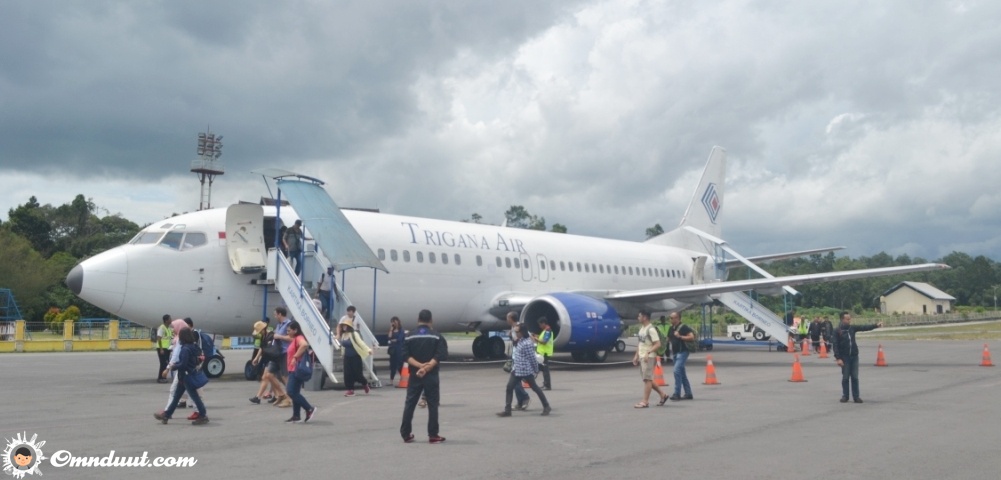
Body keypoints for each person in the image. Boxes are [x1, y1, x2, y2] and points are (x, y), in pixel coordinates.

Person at [400, 309, 448, 444]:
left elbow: (405, 355)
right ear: (431, 320)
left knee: (410, 403)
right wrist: (427, 367)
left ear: (418, 320)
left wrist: (419, 366)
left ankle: (405, 434)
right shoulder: (437, 336)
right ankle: (433, 434)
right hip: (431, 375)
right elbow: (441, 354)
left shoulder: (409, 336)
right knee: (432, 405)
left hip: (415, 374)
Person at [155, 327, 209, 425]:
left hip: (186, 377)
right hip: (188, 375)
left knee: (194, 397)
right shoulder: (193, 346)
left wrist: (173, 366)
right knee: (177, 396)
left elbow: (183, 364)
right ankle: (166, 415)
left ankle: (203, 415)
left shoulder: (185, 349)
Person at [497, 324, 552, 417]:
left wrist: (536, 369)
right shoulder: (520, 341)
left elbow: (532, 358)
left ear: (522, 332)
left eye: (517, 332)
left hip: (525, 370)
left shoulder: (527, 343)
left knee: (535, 388)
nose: (516, 333)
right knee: (509, 387)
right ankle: (507, 410)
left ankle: (546, 406)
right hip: (516, 369)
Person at [832, 312, 882, 403]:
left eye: (850, 319)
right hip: (844, 357)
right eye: (847, 319)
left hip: (854, 356)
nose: (849, 320)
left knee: (855, 377)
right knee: (845, 377)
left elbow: (863, 327)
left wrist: (875, 325)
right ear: (842, 319)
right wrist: (838, 358)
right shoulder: (837, 331)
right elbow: (835, 345)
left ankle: (856, 396)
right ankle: (845, 396)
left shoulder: (852, 328)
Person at [632, 310, 669, 408]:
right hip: (642, 356)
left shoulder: (651, 329)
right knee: (647, 379)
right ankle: (663, 395)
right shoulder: (642, 329)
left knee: (647, 379)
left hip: (649, 357)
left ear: (645, 317)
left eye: (639, 316)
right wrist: (636, 355)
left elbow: (657, 344)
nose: (638, 318)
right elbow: (640, 343)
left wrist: (648, 353)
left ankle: (645, 401)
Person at [284, 321, 317, 423]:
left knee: (290, 391)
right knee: (295, 392)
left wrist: (295, 357)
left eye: (289, 330)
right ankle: (296, 415)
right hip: (293, 369)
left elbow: (304, 345)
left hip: (295, 369)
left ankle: (309, 408)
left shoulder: (299, 338)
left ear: (295, 330)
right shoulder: (295, 339)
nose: (287, 332)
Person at [337, 306, 371, 396]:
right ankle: (350, 389)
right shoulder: (343, 336)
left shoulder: (354, 334)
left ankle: (364, 383)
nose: (344, 327)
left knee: (358, 374)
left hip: (355, 356)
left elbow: (361, 343)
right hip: (347, 357)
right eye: (343, 325)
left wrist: (368, 349)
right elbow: (343, 346)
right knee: (347, 374)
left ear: (349, 326)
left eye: (345, 325)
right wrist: (342, 353)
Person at [505, 311, 530, 410]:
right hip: (515, 355)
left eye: (508, 318)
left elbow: (525, 338)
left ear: (511, 318)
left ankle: (525, 397)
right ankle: (520, 401)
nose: (507, 320)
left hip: (520, 357)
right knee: (515, 382)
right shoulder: (513, 328)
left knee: (515, 382)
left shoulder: (519, 327)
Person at [667, 312, 695, 401]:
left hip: (683, 352)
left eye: (672, 318)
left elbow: (692, 337)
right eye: (670, 318)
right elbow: (668, 339)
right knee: (682, 373)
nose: (670, 319)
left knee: (676, 371)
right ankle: (688, 393)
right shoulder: (671, 328)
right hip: (675, 353)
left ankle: (677, 393)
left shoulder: (683, 327)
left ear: (677, 318)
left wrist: (680, 336)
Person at [270, 307, 293, 408]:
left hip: (284, 352)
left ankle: (289, 398)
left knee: (285, 376)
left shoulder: (288, 324)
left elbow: (292, 338)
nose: (274, 316)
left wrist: (279, 337)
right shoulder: (279, 325)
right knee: (269, 375)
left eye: (275, 314)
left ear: (280, 314)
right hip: (276, 353)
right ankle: (281, 394)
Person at [531, 317, 554, 390]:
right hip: (543, 353)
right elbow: (542, 338)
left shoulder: (547, 331)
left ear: (543, 323)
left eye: (540, 324)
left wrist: (535, 339)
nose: (539, 326)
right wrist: (536, 336)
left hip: (545, 353)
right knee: (544, 370)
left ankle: (547, 385)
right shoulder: (545, 331)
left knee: (545, 370)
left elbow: (544, 342)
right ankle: (545, 384)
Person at [155, 314, 173, 383]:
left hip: (167, 348)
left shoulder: (168, 328)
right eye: (170, 319)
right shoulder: (162, 328)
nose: (171, 320)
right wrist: (161, 349)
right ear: (166, 320)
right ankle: (160, 378)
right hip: (162, 348)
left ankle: (163, 377)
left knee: (166, 363)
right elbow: (159, 338)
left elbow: (169, 338)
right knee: (163, 363)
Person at [387, 316, 406, 382]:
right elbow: (389, 337)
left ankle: (403, 379)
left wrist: (393, 340)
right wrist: (391, 329)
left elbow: (399, 339)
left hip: (399, 349)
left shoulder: (401, 330)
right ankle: (391, 380)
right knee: (393, 365)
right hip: (393, 350)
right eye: (392, 322)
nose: (393, 323)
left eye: (394, 321)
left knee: (400, 365)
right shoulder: (392, 330)